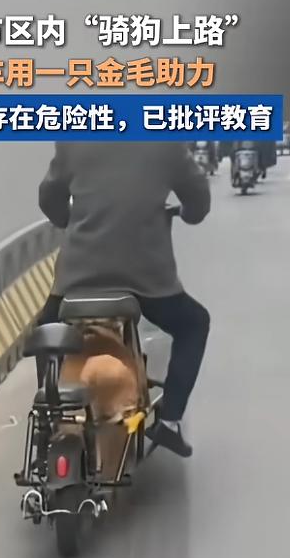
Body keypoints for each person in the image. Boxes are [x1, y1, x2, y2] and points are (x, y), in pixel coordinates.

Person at [36, 142, 211, 458]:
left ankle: (50, 421)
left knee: (47, 332)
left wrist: (71, 220)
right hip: (146, 279)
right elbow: (198, 201)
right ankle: (169, 421)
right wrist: (185, 213)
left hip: (78, 277)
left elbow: (49, 198)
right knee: (194, 324)